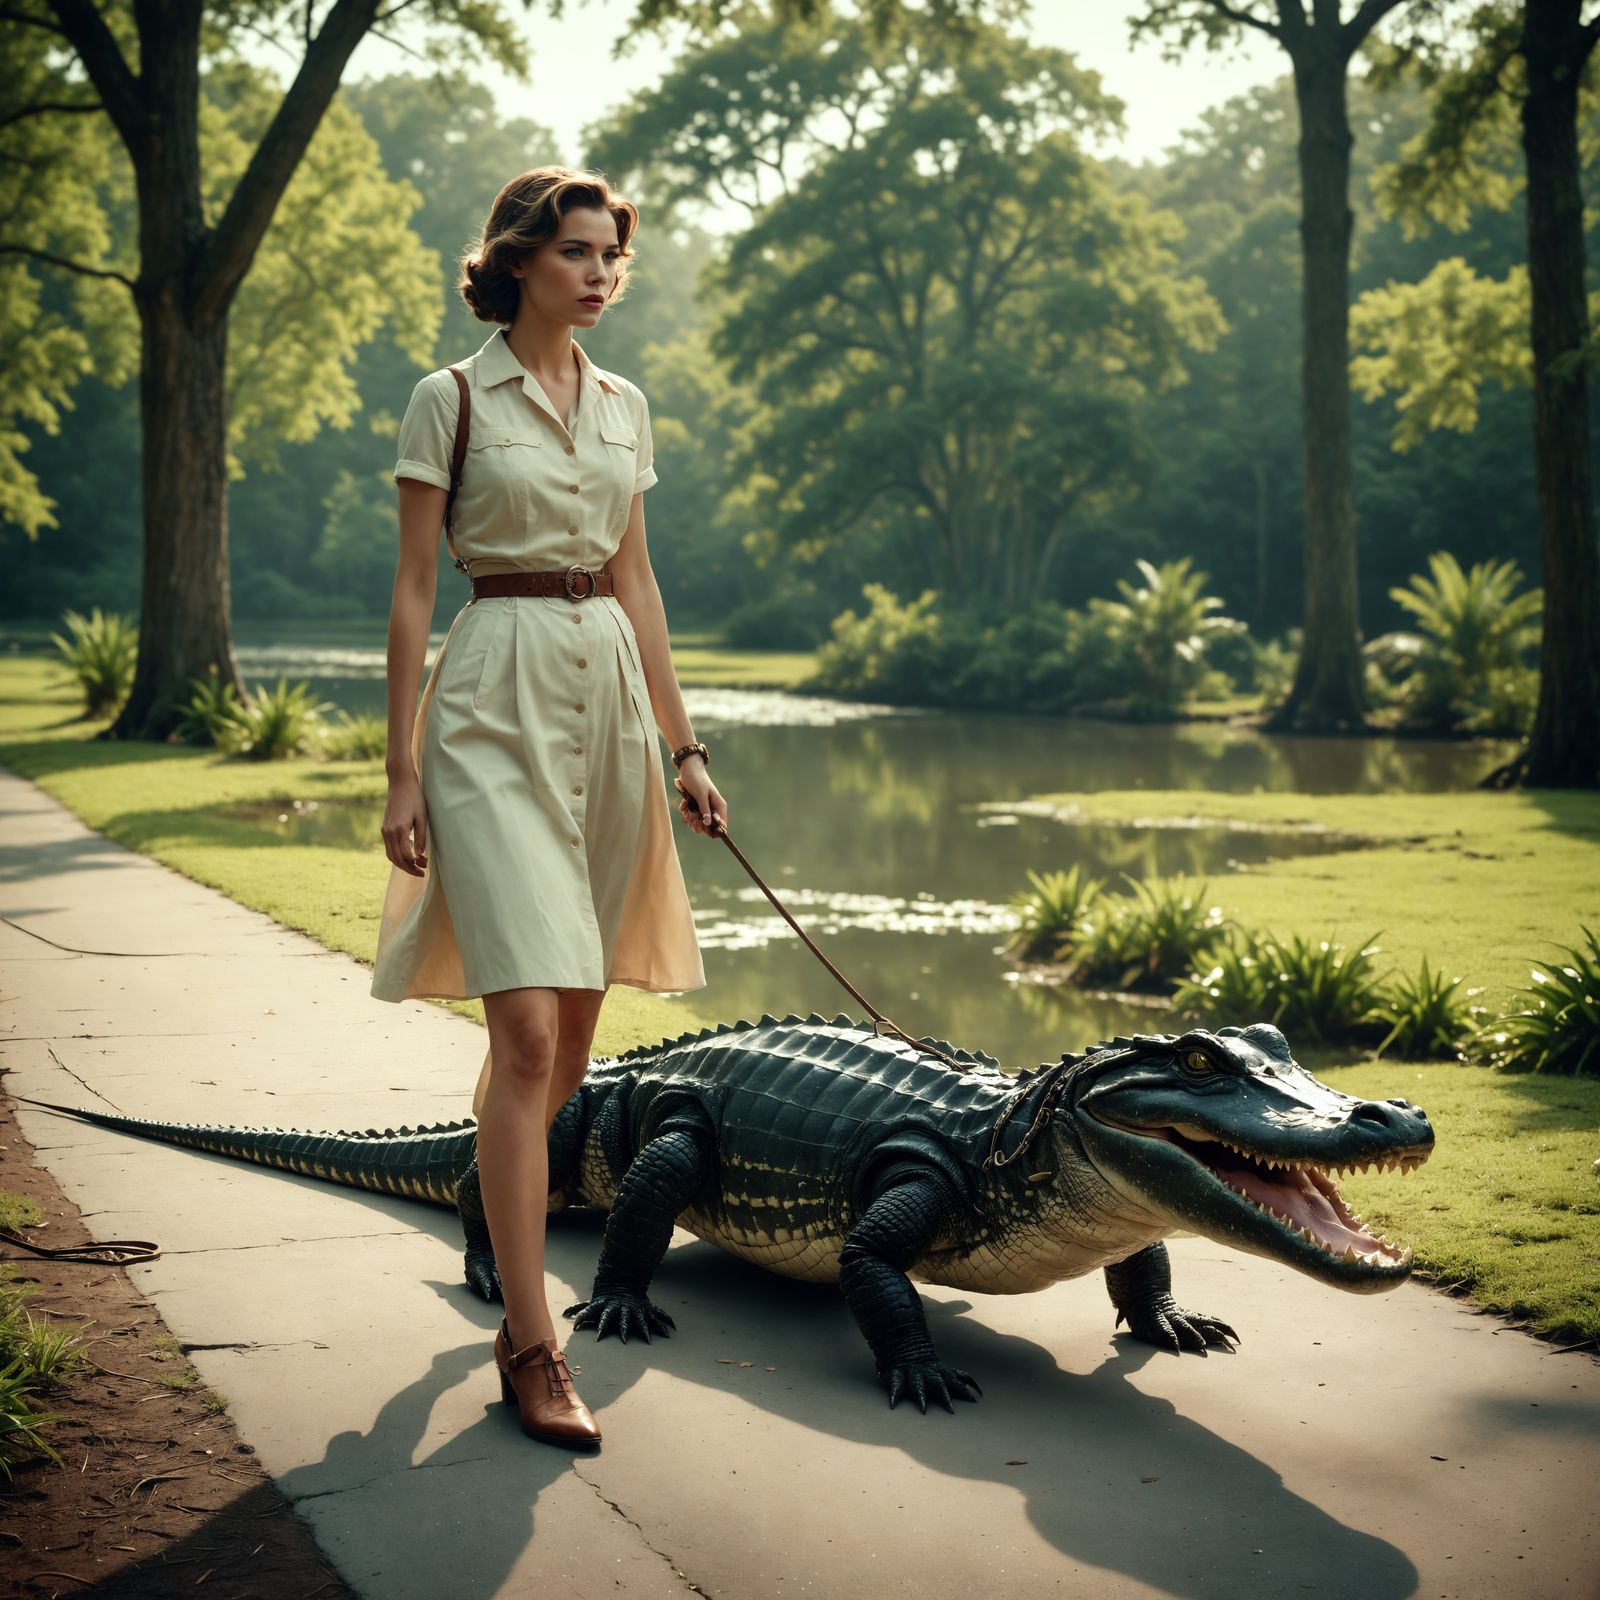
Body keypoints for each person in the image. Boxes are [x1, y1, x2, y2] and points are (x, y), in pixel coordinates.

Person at [369, 166, 727, 1449]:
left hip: (610, 708)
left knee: (567, 1050)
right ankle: (532, 1344)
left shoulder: (626, 405)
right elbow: (415, 590)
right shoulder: (450, 399)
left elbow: (637, 579)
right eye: (574, 251)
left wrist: (685, 748)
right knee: (523, 1036)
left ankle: (493, 1197)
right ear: (518, 258)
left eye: (609, 255)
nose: (596, 273)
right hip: (489, 700)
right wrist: (399, 766)